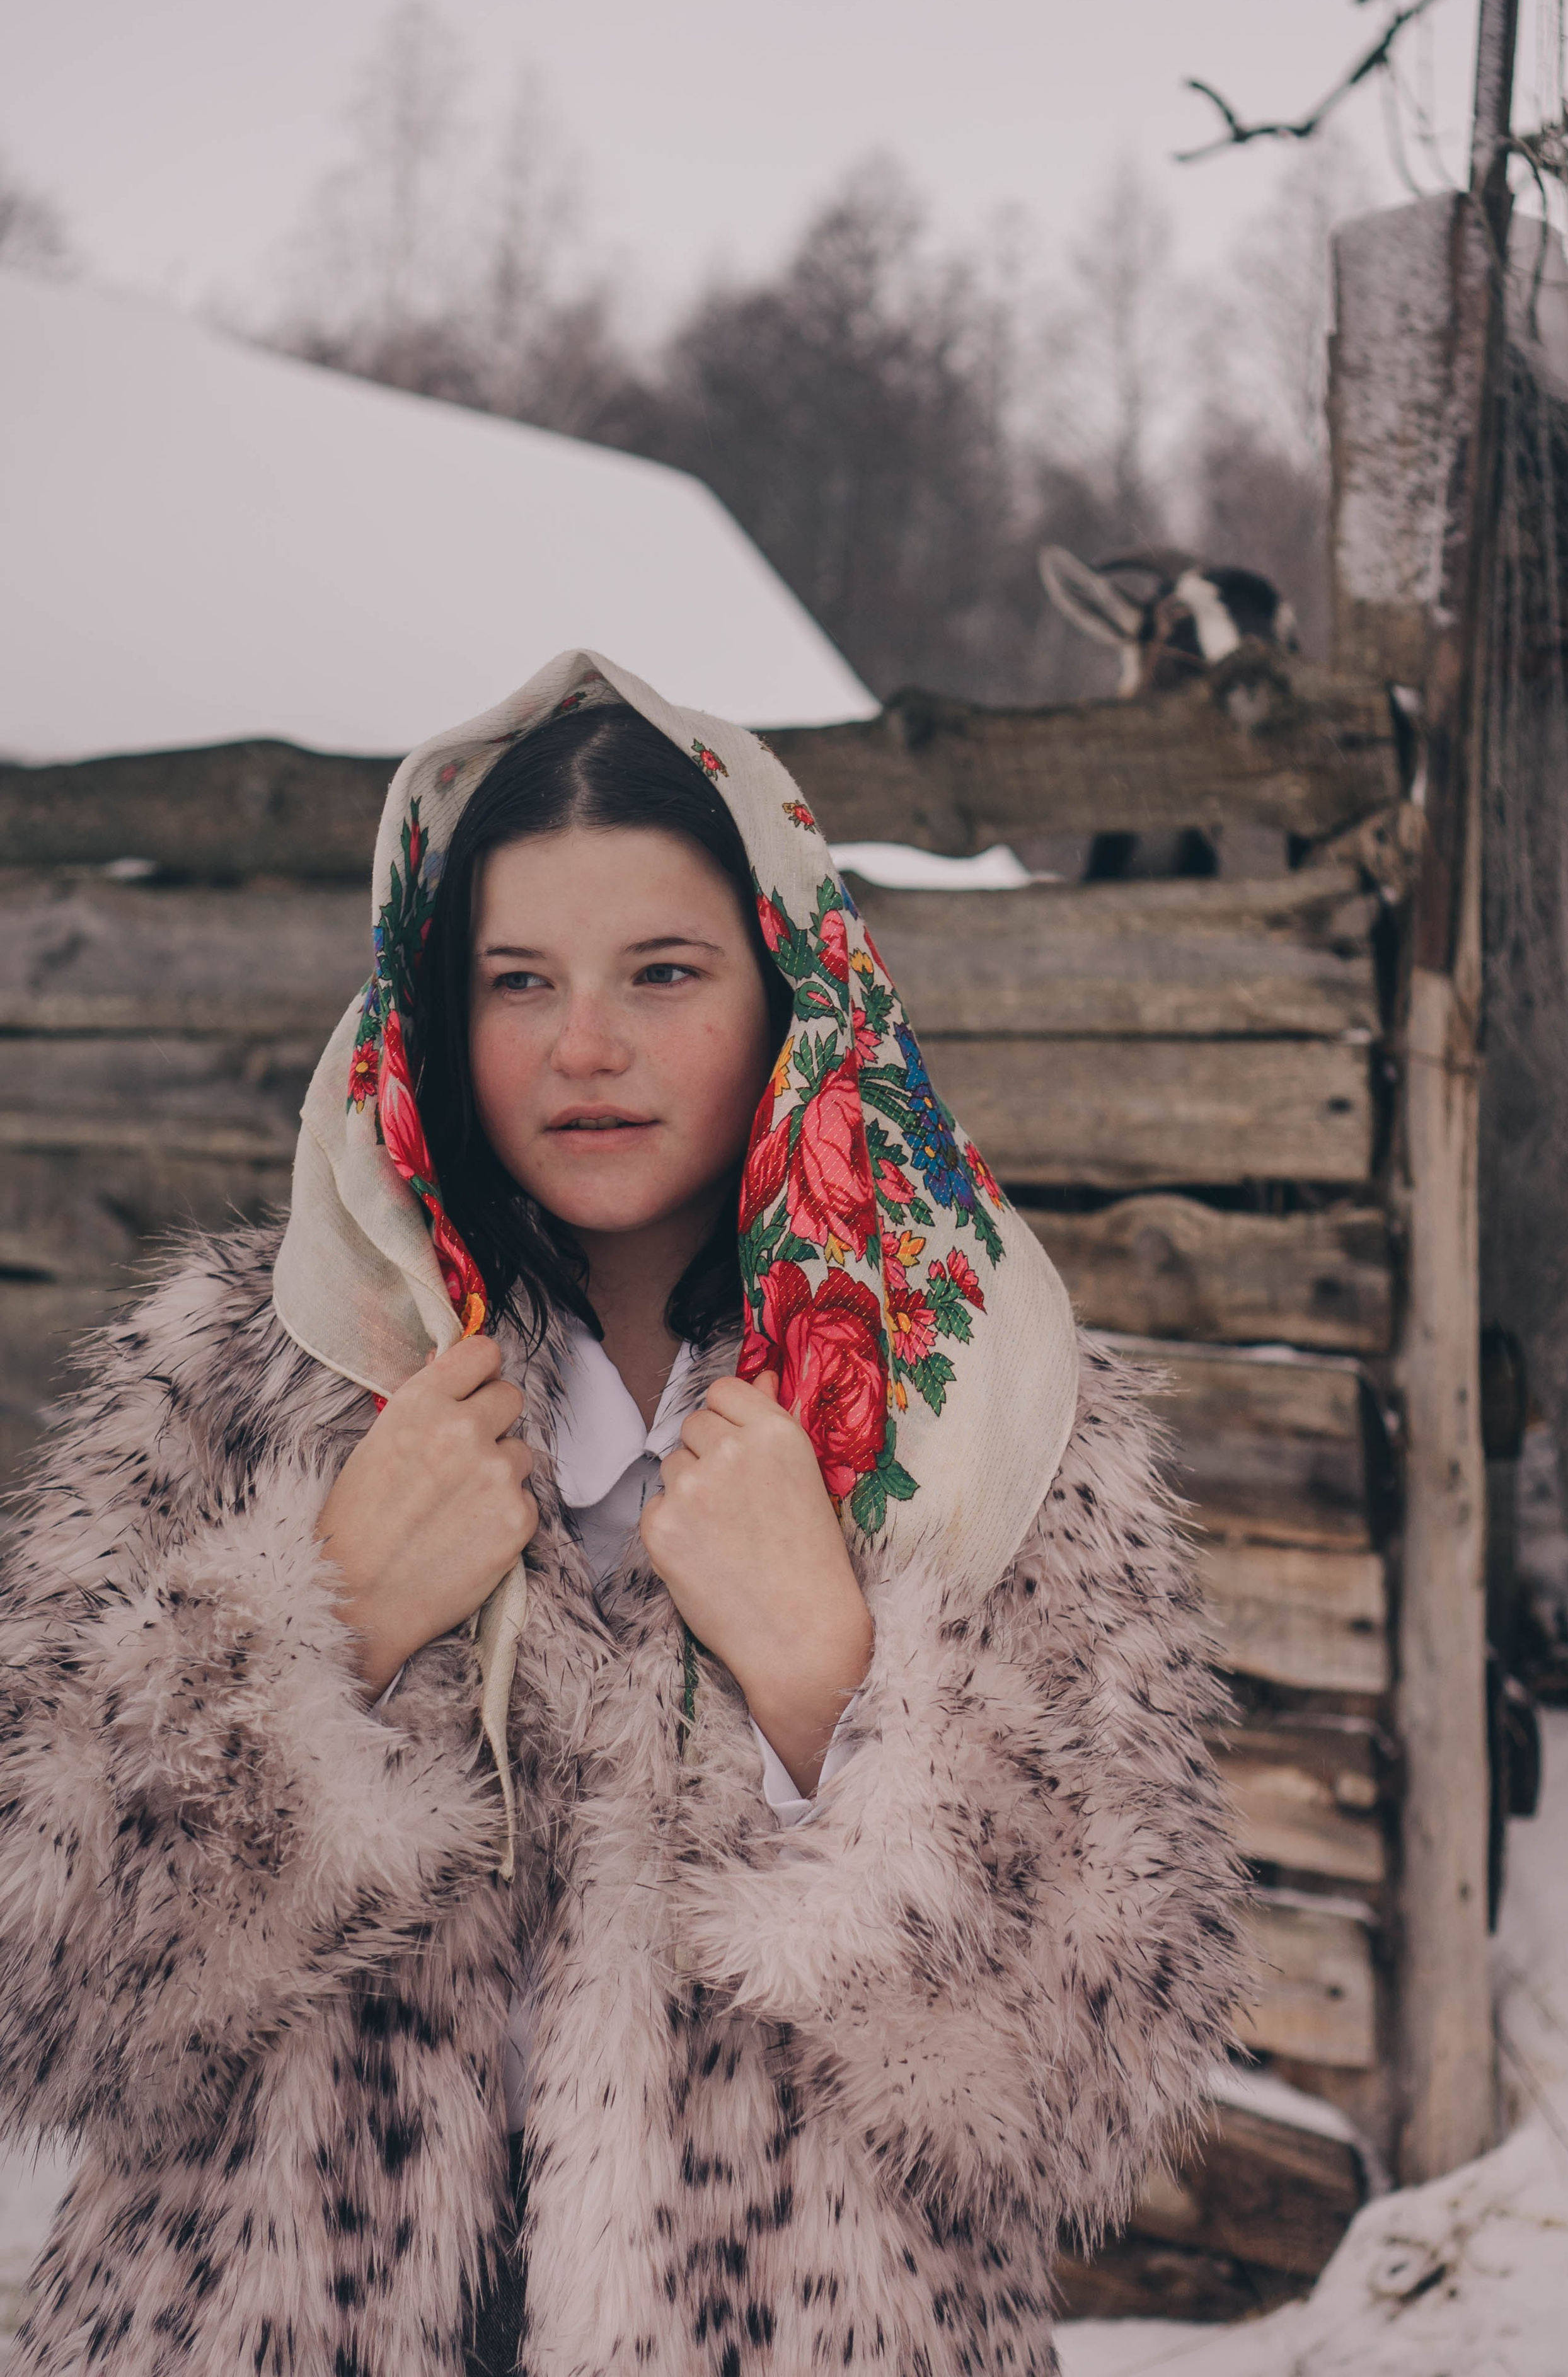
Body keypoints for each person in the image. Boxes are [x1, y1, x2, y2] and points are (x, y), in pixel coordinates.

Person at [0, 651, 1247, 2377]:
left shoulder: (991, 1415)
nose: (584, 1047)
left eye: (663, 972)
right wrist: (324, 1624)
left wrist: (829, 1686)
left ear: (795, 988)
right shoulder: (251, 1371)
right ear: (435, 1008)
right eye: (518, 981)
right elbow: (33, 1984)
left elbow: (1094, 2086)